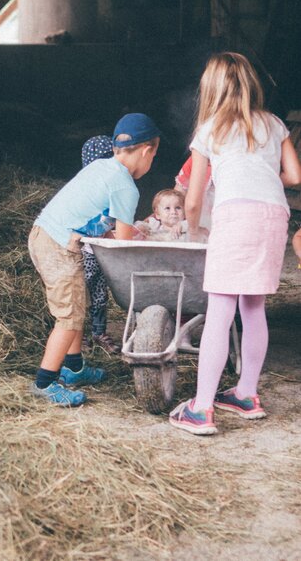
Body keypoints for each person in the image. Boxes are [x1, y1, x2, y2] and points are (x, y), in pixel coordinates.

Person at [169, 52, 301, 435]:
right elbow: (294, 174)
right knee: (253, 303)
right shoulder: (274, 123)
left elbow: (192, 200)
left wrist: (195, 231)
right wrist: (260, 171)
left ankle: (202, 408)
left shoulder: (210, 129)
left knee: (222, 307)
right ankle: (245, 393)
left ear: (211, 88)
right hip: (274, 215)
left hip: (235, 217)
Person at [28, 113, 161, 406]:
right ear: (147, 151)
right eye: (154, 156)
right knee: (69, 316)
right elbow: (124, 240)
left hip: (44, 235)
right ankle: (45, 382)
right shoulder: (126, 185)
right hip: (58, 245)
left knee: (76, 306)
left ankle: (74, 368)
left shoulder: (102, 166)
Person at [80, 135, 120, 353]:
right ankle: (81, 335)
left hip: (101, 252)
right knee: (82, 293)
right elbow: (88, 223)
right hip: (85, 251)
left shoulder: (111, 190)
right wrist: (108, 231)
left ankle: (99, 333)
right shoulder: (84, 190)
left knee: (99, 294)